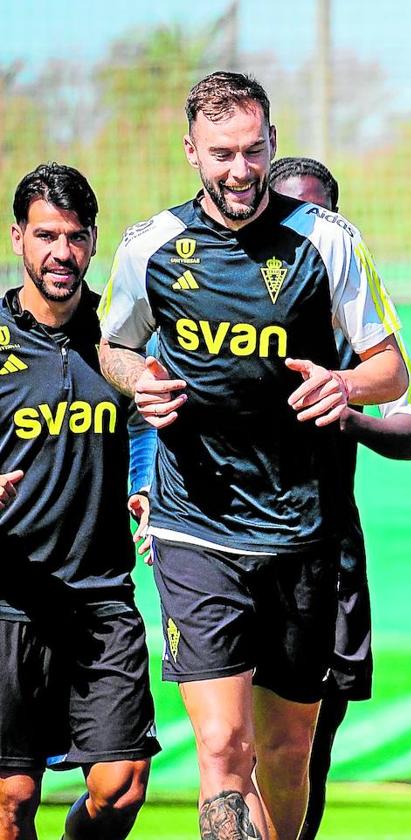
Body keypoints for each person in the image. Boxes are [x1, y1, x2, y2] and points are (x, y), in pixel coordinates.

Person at [98, 72, 407, 840]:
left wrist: (345, 384)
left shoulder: (328, 240)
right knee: (222, 746)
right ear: (191, 152)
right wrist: (142, 381)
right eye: (222, 154)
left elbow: (391, 367)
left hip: (301, 531)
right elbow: (112, 345)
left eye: (253, 150)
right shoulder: (151, 248)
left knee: (287, 750)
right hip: (195, 525)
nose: (240, 170)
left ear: (272, 141)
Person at [268, 157, 411, 840]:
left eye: (317, 215)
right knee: (241, 744)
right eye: (287, 213)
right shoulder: (223, 309)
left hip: (330, 553)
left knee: (312, 741)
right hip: (240, 556)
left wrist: (348, 410)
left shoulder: (360, 339)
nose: (301, 229)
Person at [0, 163, 159, 838]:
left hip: (101, 596)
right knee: (10, 801)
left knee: (120, 789)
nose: (60, 252)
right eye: (45, 235)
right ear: (17, 239)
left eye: (74, 236)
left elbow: (147, 419)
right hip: (10, 596)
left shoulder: (119, 333)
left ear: (93, 242)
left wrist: (147, 484)